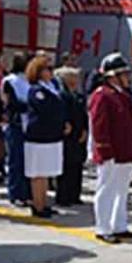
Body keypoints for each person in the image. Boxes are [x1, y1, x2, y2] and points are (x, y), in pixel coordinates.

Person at [89, 53, 132, 244]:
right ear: (112, 76)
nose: (128, 77)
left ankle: (119, 225)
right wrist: (104, 150)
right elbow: (99, 127)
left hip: (125, 151)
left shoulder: (124, 96)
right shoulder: (102, 96)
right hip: (112, 152)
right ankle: (103, 228)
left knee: (122, 191)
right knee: (107, 189)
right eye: (123, 74)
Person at [24, 56, 66, 218]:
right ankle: (37, 205)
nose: (51, 72)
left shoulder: (53, 87)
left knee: (46, 171)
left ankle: (44, 203)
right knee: (37, 173)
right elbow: (45, 109)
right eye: (47, 69)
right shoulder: (36, 90)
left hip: (52, 136)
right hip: (38, 137)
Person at [0, 53, 32, 206]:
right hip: (16, 124)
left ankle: (26, 192)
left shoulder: (30, 81)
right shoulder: (9, 81)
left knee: (28, 161)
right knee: (15, 160)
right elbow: (10, 104)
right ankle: (15, 193)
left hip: (31, 125)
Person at [55, 66, 88, 207]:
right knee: (67, 165)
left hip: (79, 132)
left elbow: (84, 114)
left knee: (77, 165)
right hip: (68, 134)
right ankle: (63, 196)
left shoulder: (79, 95)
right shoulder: (62, 95)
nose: (76, 80)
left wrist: (85, 129)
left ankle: (75, 194)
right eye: (73, 77)